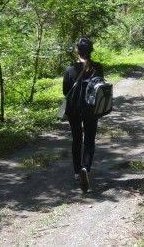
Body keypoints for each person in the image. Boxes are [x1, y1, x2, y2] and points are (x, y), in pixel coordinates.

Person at [63, 37, 104, 193]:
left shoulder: (70, 69)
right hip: (91, 110)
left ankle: (76, 171)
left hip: (73, 110)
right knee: (89, 140)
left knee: (76, 139)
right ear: (91, 51)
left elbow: (65, 91)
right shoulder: (98, 68)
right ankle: (86, 167)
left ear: (77, 50)